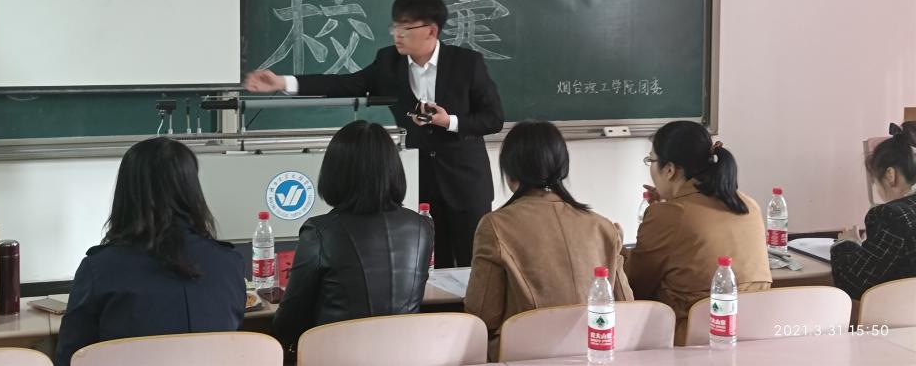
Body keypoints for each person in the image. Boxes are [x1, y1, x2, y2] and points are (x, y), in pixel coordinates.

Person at [244, 0, 503, 268]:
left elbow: (493, 119)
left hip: (465, 184)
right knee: (428, 266)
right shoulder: (388, 62)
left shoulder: (467, 63)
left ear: (431, 30)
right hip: (419, 182)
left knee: (473, 265)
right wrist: (283, 82)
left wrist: (448, 121)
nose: (397, 35)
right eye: (395, 27)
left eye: (406, 28)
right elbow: (344, 84)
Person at [55, 138, 246, 366]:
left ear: (127, 194)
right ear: (193, 190)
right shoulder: (230, 264)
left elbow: (71, 359)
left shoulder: (99, 269)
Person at [465, 120, 631, 358]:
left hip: (524, 356)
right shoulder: (603, 226)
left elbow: (481, 315)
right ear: (562, 167)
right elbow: (626, 306)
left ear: (510, 172)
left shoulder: (495, 226)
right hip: (593, 354)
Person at [272, 120, 434, 351]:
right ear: (393, 170)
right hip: (406, 355)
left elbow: (288, 324)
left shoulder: (320, 232)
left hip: (337, 356)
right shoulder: (422, 227)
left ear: (334, 173)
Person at [623, 121, 770, 345]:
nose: (650, 167)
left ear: (669, 169)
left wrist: (614, 245)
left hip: (691, 343)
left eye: (651, 160)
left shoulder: (670, 215)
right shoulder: (748, 204)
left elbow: (635, 285)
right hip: (753, 339)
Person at [831, 122, 916, 299]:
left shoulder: (891, 215)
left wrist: (847, 243)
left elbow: (852, 284)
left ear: (890, 175)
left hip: (896, 315)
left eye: (876, 181)